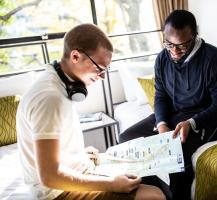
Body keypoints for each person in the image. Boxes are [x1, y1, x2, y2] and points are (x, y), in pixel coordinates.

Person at [16, 23, 166, 200]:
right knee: (154, 195)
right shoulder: (50, 98)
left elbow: (50, 150)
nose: (102, 77)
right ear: (75, 56)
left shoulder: (60, 83)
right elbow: (49, 176)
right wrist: (111, 184)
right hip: (56, 193)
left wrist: (77, 155)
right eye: (100, 68)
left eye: (106, 70)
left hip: (74, 168)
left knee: (143, 173)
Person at [119, 10, 217, 200]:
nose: (174, 51)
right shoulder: (162, 58)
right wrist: (162, 123)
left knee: (175, 153)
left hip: (209, 117)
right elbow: (161, 96)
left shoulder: (215, 59)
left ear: (195, 35)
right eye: (169, 44)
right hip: (175, 113)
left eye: (182, 45)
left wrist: (192, 123)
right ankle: (159, 193)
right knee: (127, 138)